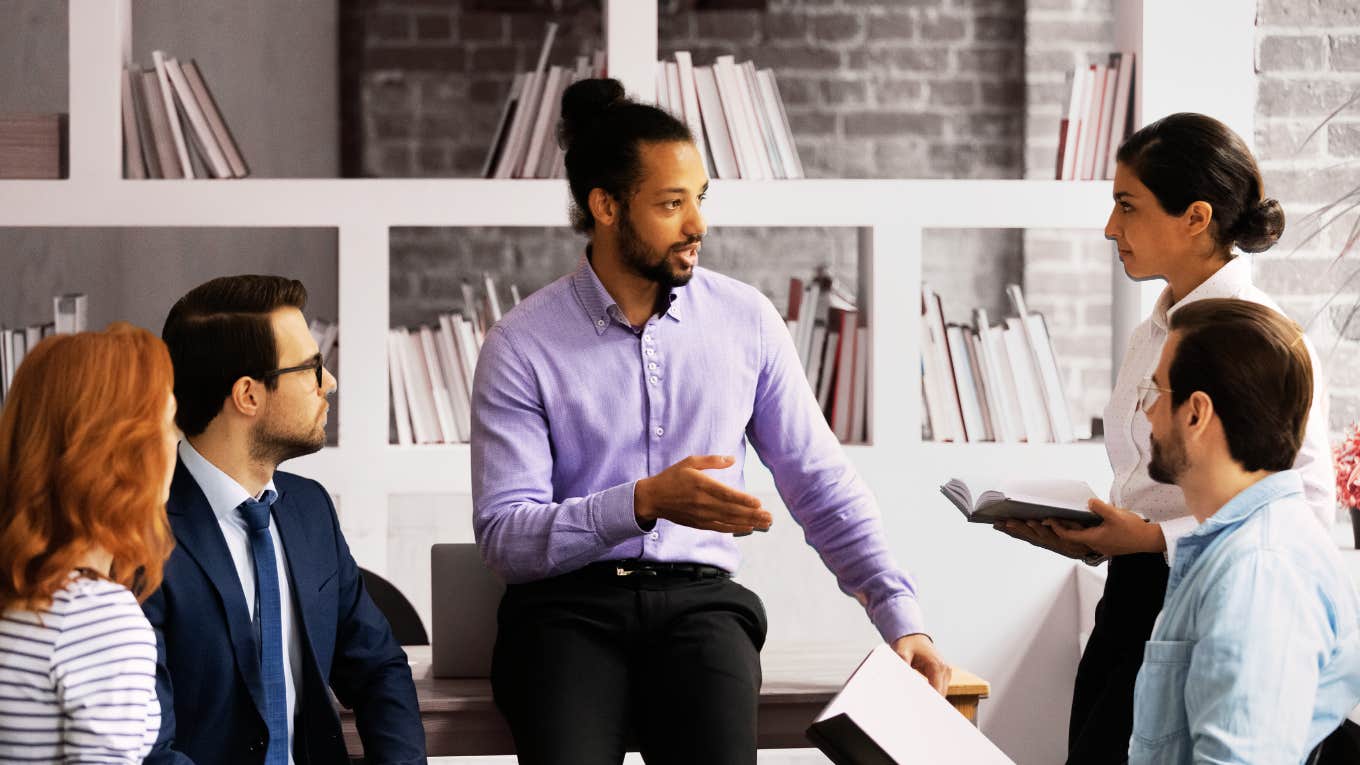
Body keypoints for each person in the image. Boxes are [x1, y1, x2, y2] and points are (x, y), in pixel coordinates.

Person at [470, 77, 947, 765]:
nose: (697, 224)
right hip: (562, 614)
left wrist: (904, 620)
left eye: (700, 198)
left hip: (701, 606)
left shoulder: (745, 321)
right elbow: (506, 537)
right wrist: (640, 503)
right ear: (606, 206)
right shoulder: (522, 343)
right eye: (671, 203)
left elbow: (819, 481)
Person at [993, 112, 1335, 763]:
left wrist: (1151, 539)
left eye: (1128, 205)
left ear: (1195, 217)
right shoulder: (1152, 332)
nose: (1109, 227)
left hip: (1201, 598)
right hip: (1130, 598)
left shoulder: (1260, 342)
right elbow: (1152, 482)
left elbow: (1308, 511)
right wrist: (1098, 536)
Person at [143, 275, 425, 765]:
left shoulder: (309, 508)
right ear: (248, 395)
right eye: (313, 367)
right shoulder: (140, 530)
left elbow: (379, 667)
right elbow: (150, 747)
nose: (329, 382)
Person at [1122, 298, 1358, 762]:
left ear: (1196, 413)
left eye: (1155, 391)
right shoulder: (1239, 549)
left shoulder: (1258, 574)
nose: (1145, 412)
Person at [0, 324, 178, 763]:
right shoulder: (97, 617)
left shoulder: (23, 594)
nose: (176, 441)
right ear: (120, 452)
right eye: (168, 422)